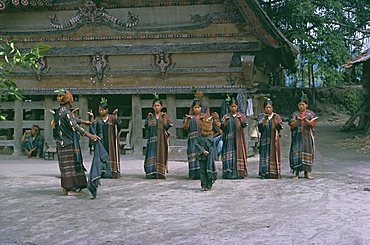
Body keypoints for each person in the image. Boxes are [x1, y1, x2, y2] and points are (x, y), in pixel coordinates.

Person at [53, 89, 100, 196]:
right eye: (72, 100)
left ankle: (65, 188)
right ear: (69, 101)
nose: (73, 102)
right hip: (67, 143)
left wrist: (85, 122)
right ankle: (71, 190)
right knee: (70, 167)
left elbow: (72, 120)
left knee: (64, 167)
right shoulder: (67, 112)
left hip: (60, 144)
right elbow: (74, 125)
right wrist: (90, 135)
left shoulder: (59, 111)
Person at [89, 98, 121, 179]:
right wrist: (91, 118)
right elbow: (93, 128)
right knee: (102, 156)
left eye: (103, 110)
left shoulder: (112, 118)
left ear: (106, 110)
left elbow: (119, 125)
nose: (101, 111)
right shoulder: (97, 119)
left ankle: (112, 171)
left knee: (111, 154)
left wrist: (116, 116)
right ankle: (102, 172)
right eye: (100, 110)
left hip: (111, 141)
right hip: (101, 141)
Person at [289, 92, 317, 180]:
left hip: (307, 137)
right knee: (296, 153)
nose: (301, 106)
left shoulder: (310, 114)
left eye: (303, 104)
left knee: (308, 152)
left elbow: (313, 124)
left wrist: (306, 121)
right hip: (297, 137)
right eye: (299, 104)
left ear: (306, 105)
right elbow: (291, 124)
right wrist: (298, 121)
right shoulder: (295, 114)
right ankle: (296, 172)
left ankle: (307, 173)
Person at [144, 95, 173, 179]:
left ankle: (160, 172)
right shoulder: (150, 116)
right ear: (152, 107)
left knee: (161, 155)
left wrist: (164, 119)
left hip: (161, 140)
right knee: (151, 155)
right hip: (152, 140)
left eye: (158, 106)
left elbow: (168, 125)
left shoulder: (164, 116)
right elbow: (146, 126)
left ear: (161, 106)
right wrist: (149, 120)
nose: (157, 107)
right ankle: (150, 172)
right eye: (155, 106)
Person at [221, 97, 248, 179]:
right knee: (229, 156)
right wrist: (225, 122)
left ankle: (239, 173)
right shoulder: (225, 116)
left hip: (238, 139)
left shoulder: (241, 116)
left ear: (237, 106)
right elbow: (222, 128)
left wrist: (240, 120)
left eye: (235, 106)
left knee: (238, 154)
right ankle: (228, 173)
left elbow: (244, 125)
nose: (233, 108)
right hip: (228, 140)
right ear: (229, 107)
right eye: (232, 106)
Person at [258, 99, 283, 179]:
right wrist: (265, 119)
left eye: (269, 107)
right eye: (266, 107)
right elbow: (260, 128)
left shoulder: (276, 116)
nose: (268, 109)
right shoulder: (261, 116)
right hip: (264, 139)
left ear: (272, 108)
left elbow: (280, 126)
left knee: (273, 154)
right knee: (264, 155)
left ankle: (274, 172)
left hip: (274, 139)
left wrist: (275, 121)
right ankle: (264, 172)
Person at [183, 99, 206, 179]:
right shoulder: (189, 117)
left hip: (201, 140)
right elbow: (185, 128)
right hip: (192, 140)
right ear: (192, 108)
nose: (197, 109)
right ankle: (193, 174)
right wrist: (188, 121)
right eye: (195, 107)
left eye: (198, 107)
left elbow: (208, 128)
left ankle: (202, 174)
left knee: (201, 156)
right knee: (192, 156)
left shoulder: (204, 117)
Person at [195, 116, 217, 191]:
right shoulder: (198, 137)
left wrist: (214, 156)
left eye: (207, 131)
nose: (205, 133)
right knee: (202, 171)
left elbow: (214, 148)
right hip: (202, 157)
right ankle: (203, 185)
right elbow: (196, 145)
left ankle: (209, 185)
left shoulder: (211, 138)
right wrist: (202, 151)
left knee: (209, 170)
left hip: (209, 158)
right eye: (204, 131)